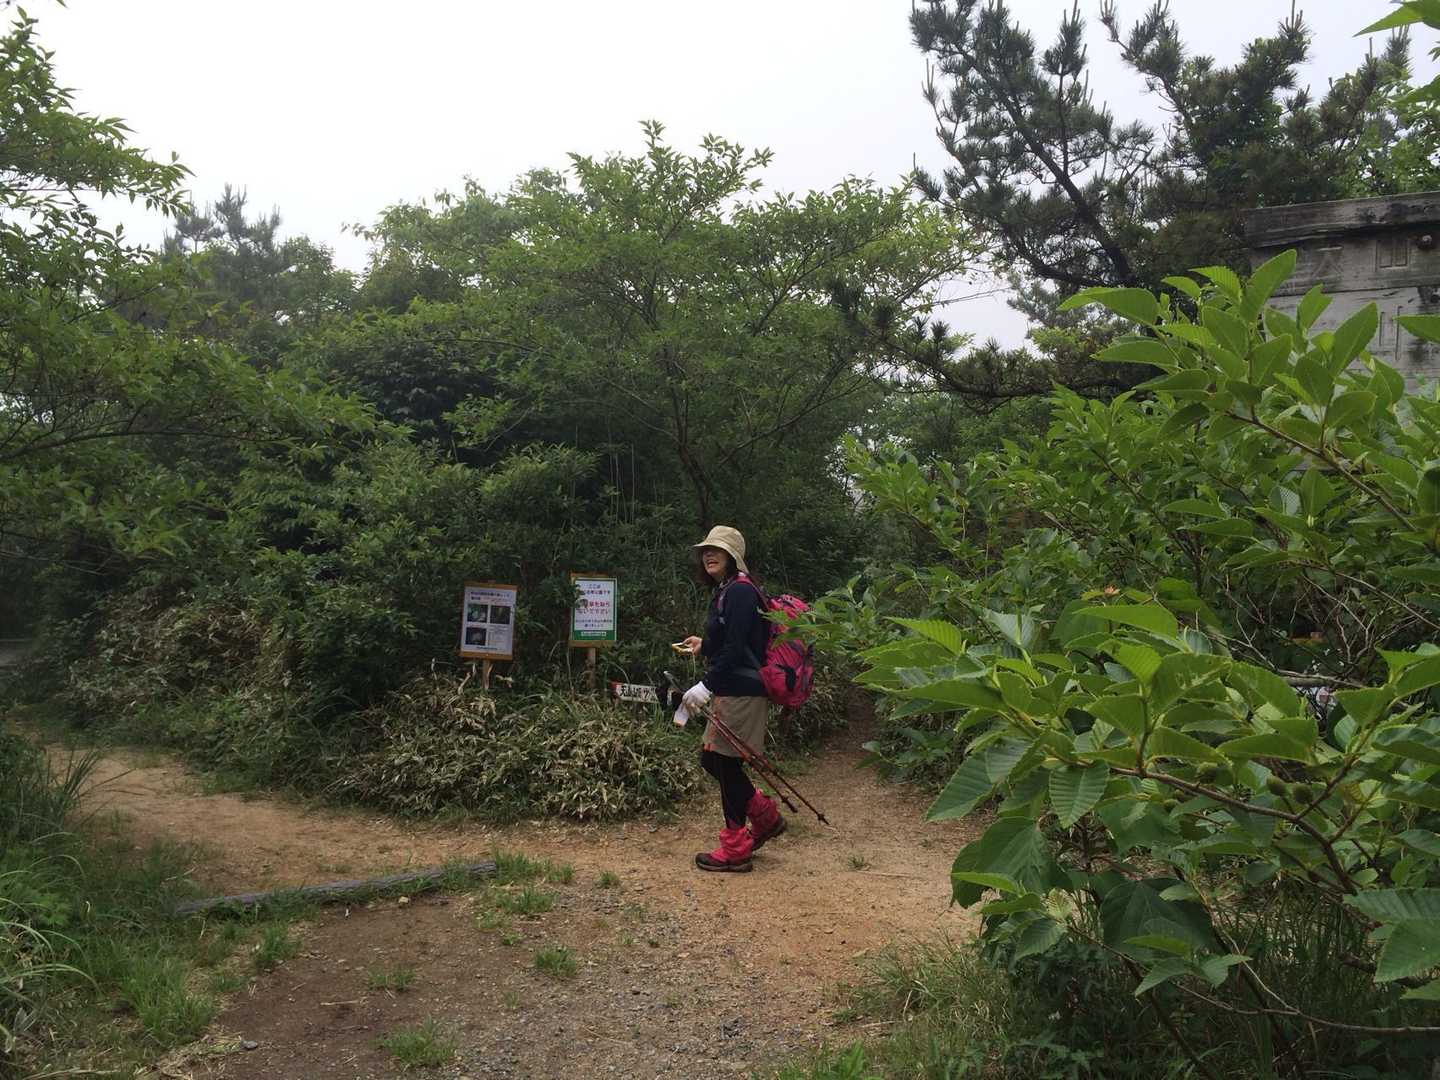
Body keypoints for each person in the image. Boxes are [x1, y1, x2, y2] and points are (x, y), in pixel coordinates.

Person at [675, 525, 785, 873]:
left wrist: (705, 685)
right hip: (735, 688)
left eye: (717, 550)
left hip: (741, 690)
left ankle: (736, 849)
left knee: (723, 763)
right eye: (706, 550)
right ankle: (765, 818)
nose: (708, 555)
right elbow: (734, 641)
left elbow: (737, 649)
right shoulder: (729, 589)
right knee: (714, 761)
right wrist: (705, 645)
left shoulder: (739, 591)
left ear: (732, 556)